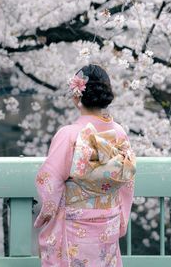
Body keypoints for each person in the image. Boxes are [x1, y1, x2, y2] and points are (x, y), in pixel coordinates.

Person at [34, 64, 136, 267]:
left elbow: (50, 183)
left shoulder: (69, 134)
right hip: (108, 222)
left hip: (74, 223)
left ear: (76, 96)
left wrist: (46, 217)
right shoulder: (119, 133)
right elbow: (127, 184)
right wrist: (120, 221)